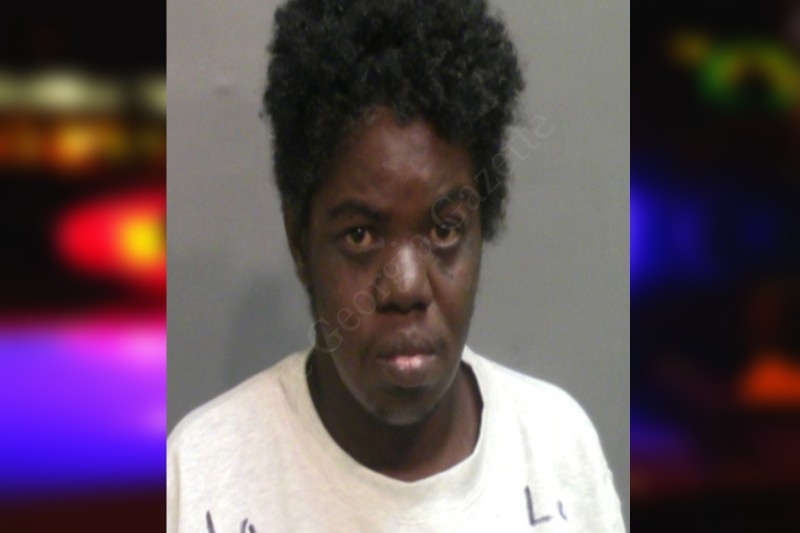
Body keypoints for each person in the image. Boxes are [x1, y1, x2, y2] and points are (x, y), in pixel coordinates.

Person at [167, 0, 625, 531]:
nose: (405, 287)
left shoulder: (557, 451)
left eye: (445, 231)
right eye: (361, 236)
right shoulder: (202, 477)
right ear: (300, 242)